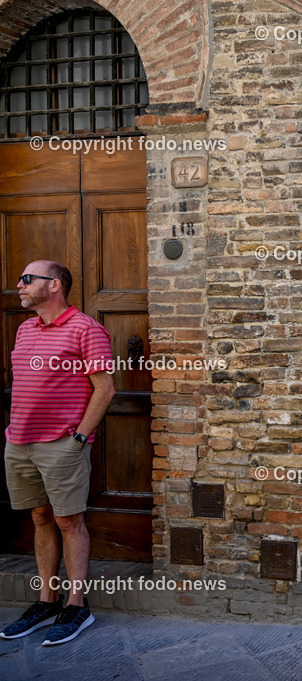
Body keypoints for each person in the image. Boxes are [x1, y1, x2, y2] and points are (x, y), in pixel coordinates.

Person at [0, 261, 115, 646]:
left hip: (62, 444)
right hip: (20, 442)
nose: (19, 285)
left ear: (54, 285)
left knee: (69, 520)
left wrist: (79, 438)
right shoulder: (25, 329)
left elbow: (105, 389)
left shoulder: (86, 329)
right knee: (40, 516)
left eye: (27, 279)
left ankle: (77, 606)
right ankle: (47, 601)